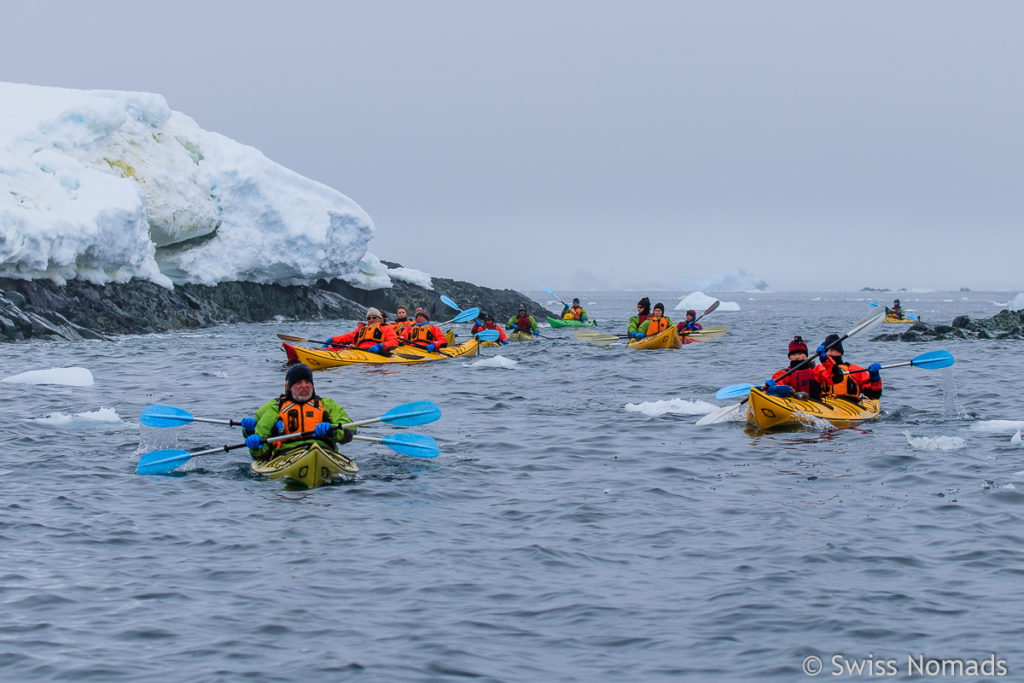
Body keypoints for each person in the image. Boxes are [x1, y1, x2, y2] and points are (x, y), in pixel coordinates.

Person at [240, 363, 355, 461]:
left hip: (323, 451)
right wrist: (256, 447)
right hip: (287, 455)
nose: (304, 386)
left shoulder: (327, 404)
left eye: (307, 382)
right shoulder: (276, 409)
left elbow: (350, 430)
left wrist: (333, 431)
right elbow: (261, 451)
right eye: (298, 382)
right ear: (289, 387)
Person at [812, 333, 883, 400]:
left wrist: (875, 379)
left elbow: (874, 395)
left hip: (850, 405)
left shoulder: (855, 369)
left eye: (832, 350)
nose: (828, 353)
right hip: (826, 405)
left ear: (840, 352)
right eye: (826, 351)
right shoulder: (819, 370)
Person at [323, 307, 400, 354]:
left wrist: (380, 346)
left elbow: (393, 342)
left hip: (377, 352)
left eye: (374, 318)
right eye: (369, 318)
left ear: (380, 319)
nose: (371, 320)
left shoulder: (386, 328)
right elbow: (348, 336)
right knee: (334, 346)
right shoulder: (362, 329)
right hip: (359, 351)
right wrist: (333, 339)